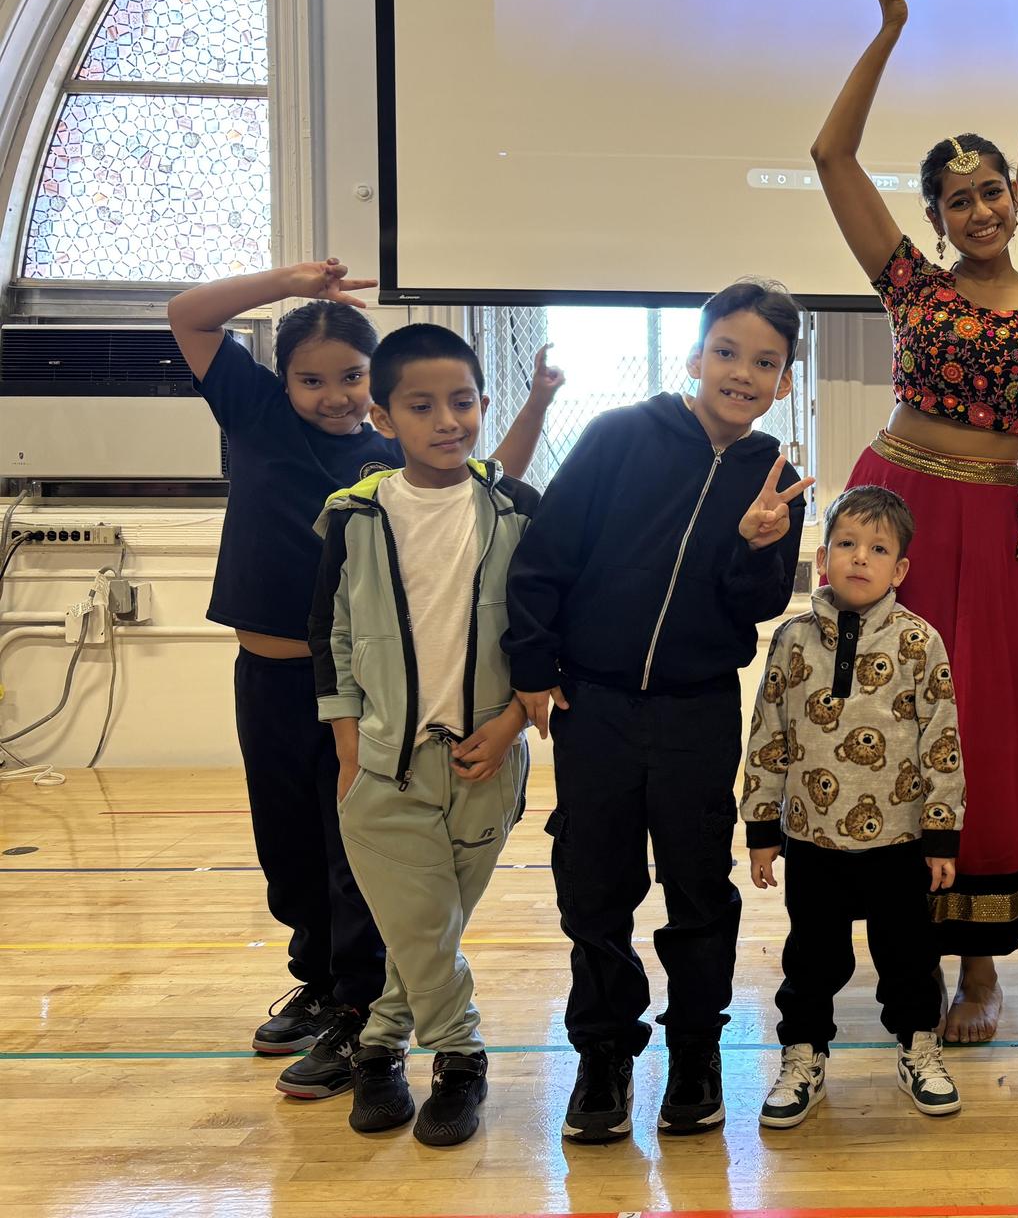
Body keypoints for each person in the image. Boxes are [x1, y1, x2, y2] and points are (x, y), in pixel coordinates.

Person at [166, 260, 559, 1097]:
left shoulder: (395, 455)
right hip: (271, 680)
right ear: (283, 382)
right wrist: (287, 284)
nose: (334, 395)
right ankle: (319, 980)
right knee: (290, 844)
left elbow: (498, 485)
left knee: (361, 857)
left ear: (376, 393)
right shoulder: (257, 414)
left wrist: (535, 402)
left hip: (370, 695)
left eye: (350, 377)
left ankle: (360, 1011)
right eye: (313, 379)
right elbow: (189, 315)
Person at [810, 0, 1018, 1043]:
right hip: (890, 511)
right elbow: (833, 158)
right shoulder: (910, 285)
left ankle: (979, 965)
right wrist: (886, 34)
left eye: (994, 193)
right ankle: (902, 949)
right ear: (933, 214)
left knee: (975, 728)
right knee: (870, 714)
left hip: (991, 528)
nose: (982, 210)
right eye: (959, 198)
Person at [505, 278, 812, 1143]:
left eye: (765, 363)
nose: (742, 373)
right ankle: (603, 1053)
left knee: (697, 892)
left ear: (785, 382)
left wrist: (756, 547)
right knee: (595, 886)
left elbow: (751, 607)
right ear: (695, 356)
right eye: (727, 353)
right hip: (595, 704)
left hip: (697, 712)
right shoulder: (617, 437)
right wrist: (534, 665)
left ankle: (695, 1051)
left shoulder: (777, 480)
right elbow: (543, 560)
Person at [310, 324, 539, 1147]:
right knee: (424, 923)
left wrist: (512, 720)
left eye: (463, 401)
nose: (448, 420)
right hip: (383, 765)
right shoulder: (355, 515)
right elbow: (331, 631)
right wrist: (347, 742)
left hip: (485, 764)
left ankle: (377, 1045)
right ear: (382, 418)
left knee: (427, 927)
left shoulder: (516, 509)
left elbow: (546, 632)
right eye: (421, 404)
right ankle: (461, 1056)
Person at [742, 486, 968, 1128]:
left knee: (908, 956)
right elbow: (768, 734)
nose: (859, 558)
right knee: (811, 958)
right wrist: (761, 825)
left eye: (877, 549)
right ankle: (803, 1053)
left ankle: (919, 1045)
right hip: (814, 843)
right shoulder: (791, 641)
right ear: (822, 557)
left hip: (898, 843)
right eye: (846, 544)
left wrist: (941, 833)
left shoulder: (921, 643)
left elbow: (942, 741)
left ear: (899, 570)